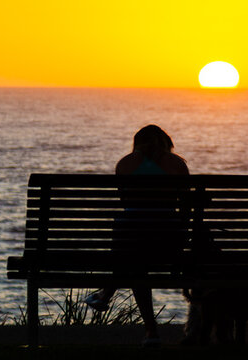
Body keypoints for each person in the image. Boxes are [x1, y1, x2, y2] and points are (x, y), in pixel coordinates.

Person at [84, 124, 188, 346]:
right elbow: (186, 204)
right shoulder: (177, 163)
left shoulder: (125, 163)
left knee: (134, 263)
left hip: (131, 238)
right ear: (166, 143)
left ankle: (149, 330)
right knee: (134, 262)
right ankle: (106, 294)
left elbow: (125, 201)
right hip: (168, 240)